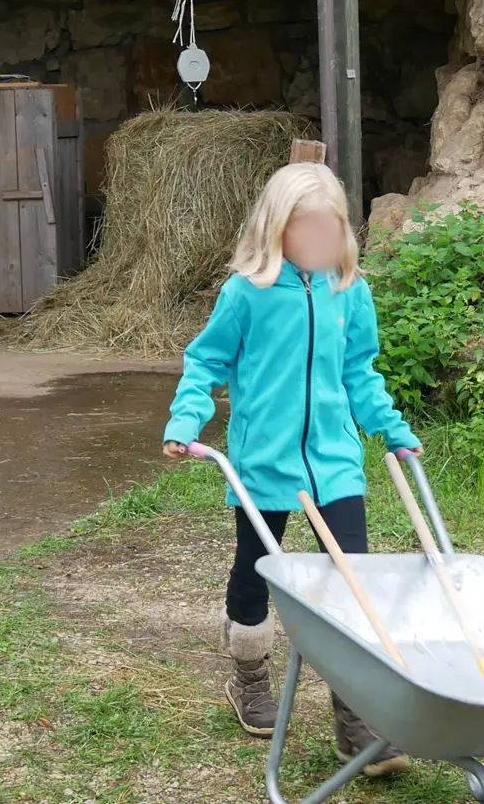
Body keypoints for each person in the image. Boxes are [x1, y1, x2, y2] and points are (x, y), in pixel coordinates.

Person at [162, 162, 422, 778]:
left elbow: (360, 371)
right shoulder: (247, 292)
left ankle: (354, 717)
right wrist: (186, 418)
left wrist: (392, 428)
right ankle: (249, 676)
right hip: (262, 463)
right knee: (257, 578)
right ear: (275, 227)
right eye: (302, 227)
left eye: (326, 229)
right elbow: (206, 364)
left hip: (334, 463)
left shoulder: (348, 289)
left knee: (349, 581)